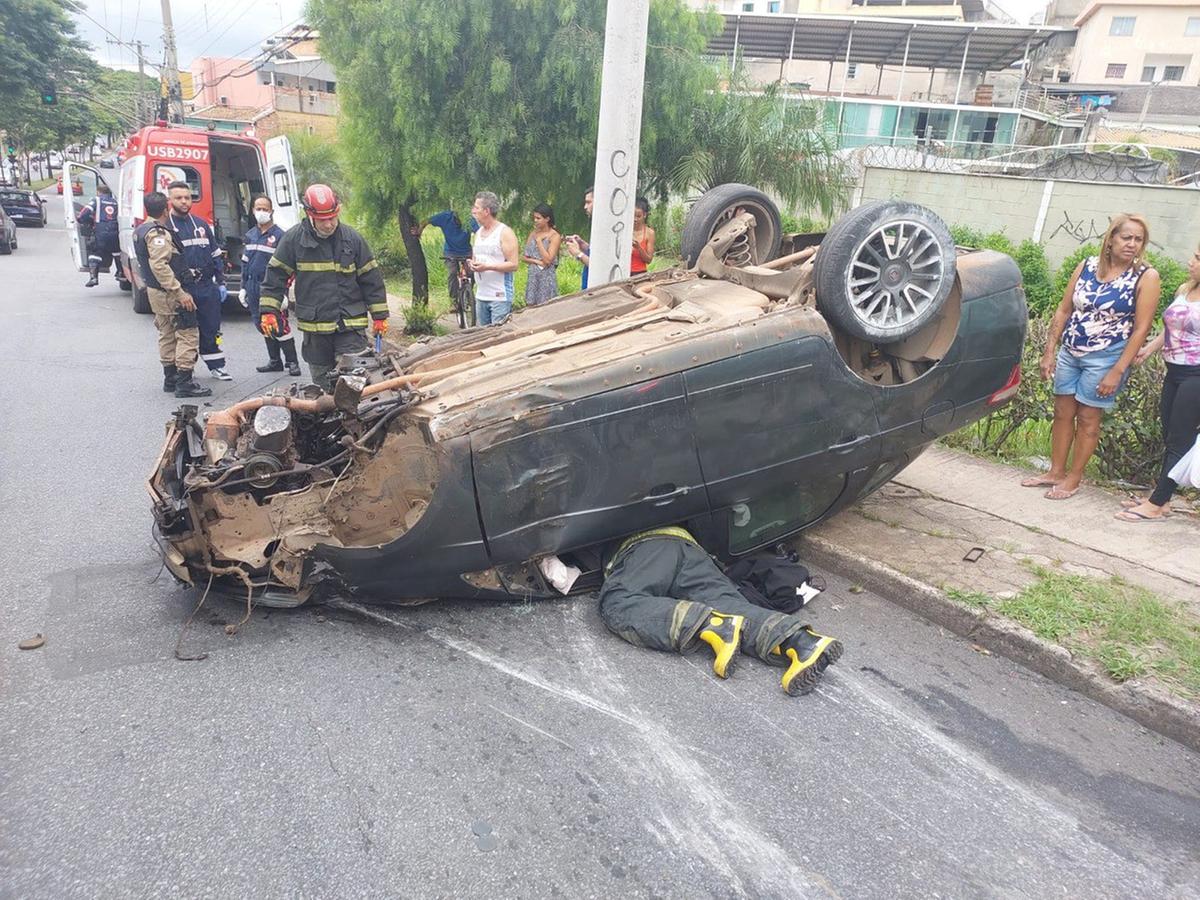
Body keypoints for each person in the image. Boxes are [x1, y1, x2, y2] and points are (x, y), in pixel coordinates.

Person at [599, 527, 843, 695]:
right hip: (693, 550)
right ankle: (802, 642)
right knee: (728, 605)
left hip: (644, 547)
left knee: (618, 601)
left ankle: (712, 624)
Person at [1022, 214, 1160, 499]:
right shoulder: (1087, 266)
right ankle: (1056, 471)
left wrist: (1117, 370)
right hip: (1071, 351)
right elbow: (1063, 309)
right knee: (1062, 412)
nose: (1132, 244)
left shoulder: (1146, 276)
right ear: (1110, 239)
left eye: (1139, 240)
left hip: (1106, 357)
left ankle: (1074, 477)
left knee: (1087, 417)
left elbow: (1141, 329)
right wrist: (1049, 351)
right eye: (1127, 237)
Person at [258, 184, 389, 391]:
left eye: (332, 218)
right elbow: (275, 276)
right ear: (310, 215)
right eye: (322, 220)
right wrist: (269, 311)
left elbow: (371, 279)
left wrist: (380, 316)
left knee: (354, 384)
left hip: (350, 326)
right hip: (316, 329)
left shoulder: (352, 239)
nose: (329, 224)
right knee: (322, 387)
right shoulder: (293, 240)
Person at [1117, 243, 1200, 521]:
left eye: (1198, 258)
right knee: (1170, 435)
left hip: (1197, 375)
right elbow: (1171, 329)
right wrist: (1149, 349)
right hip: (1175, 372)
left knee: (1180, 438)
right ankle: (1161, 499)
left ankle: (1157, 502)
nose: (1191, 262)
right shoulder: (1185, 290)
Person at [132, 191, 210, 399]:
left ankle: (170, 378)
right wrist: (180, 293)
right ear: (166, 208)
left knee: (166, 333)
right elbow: (159, 265)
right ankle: (184, 382)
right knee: (187, 333)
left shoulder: (140, 229)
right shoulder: (158, 233)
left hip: (156, 292)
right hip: (169, 293)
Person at [166, 181, 232, 382]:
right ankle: (185, 371)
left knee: (212, 328)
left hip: (206, 287)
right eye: (179, 198)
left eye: (187, 197)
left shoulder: (202, 225)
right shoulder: (166, 228)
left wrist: (220, 282)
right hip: (183, 289)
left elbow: (215, 254)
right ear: (170, 200)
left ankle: (217, 366)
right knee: (184, 333)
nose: (184, 201)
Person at [239, 195, 300, 376]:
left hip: (272, 289)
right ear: (253, 210)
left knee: (280, 326)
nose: (261, 212)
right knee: (262, 324)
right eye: (258, 208)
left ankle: (292, 362)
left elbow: (288, 267)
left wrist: (282, 293)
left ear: (272, 211)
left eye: (265, 209)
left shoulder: (281, 236)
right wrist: (243, 287)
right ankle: (275, 361)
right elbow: (245, 263)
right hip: (252, 286)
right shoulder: (250, 235)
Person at [468, 191, 519, 326]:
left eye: (476, 208)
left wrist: (488, 267)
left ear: (486, 211)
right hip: (481, 295)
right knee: (482, 336)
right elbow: (477, 256)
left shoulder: (504, 232)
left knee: (497, 336)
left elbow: (513, 264)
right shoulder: (478, 233)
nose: (473, 211)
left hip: (499, 296)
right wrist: (473, 264)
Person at [78, 184, 120, 288]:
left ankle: (94, 278)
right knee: (117, 253)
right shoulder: (116, 202)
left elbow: (84, 214)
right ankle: (121, 273)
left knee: (95, 253)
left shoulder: (96, 200)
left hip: (101, 231)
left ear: (98, 192)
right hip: (115, 232)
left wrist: (84, 221)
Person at [522, 203, 561, 307]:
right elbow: (524, 257)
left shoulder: (554, 236)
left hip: (546, 278)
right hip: (533, 277)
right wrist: (536, 261)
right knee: (530, 306)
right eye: (534, 218)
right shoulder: (533, 233)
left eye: (538, 218)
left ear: (547, 219)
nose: (535, 221)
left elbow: (548, 260)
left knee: (546, 306)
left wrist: (539, 242)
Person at [564, 186, 593, 290]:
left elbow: (598, 266)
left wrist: (578, 253)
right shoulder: (596, 226)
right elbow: (596, 253)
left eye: (588, 202)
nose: (585, 207)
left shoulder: (605, 228)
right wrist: (582, 244)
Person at [629, 196, 656, 275]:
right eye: (633, 216)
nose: (635, 219)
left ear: (644, 215)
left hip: (640, 273)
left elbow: (649, 260)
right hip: (623, 272)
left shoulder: (649, 233)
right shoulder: (625, 230)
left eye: (638, 216)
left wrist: (639, 248)